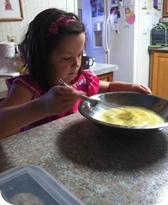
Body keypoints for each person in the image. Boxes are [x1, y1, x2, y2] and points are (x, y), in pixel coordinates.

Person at [0, 8, 151, 137]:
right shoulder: (29, 87)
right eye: (67, 58)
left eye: (79, 54)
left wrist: (130, 87)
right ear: (42, 57)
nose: (77, 63)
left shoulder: (81, 80)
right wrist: (43, 106)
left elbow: (109, 87)